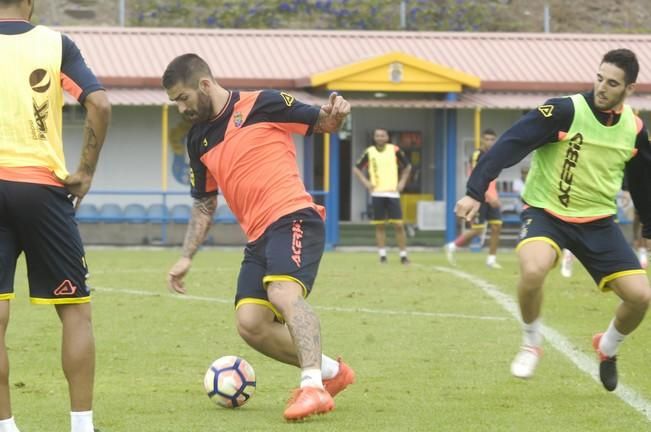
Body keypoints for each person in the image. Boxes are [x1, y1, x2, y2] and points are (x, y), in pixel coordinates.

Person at [162, 53, 355, 421]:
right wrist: (186, 255)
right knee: (251, 324)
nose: (181, 108)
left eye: (183, 98)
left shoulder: (262, 103)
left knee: (283, 293)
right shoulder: (197, 139)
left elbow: (324, 122)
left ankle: (312, 387)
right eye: (175, 102)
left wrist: (338, 114)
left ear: (204, 84)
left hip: (293, 215)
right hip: (258, 236)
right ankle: (332, 372)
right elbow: (204, 203)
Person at [454, 49, 651, 392]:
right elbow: (510, 143)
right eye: (599, 77)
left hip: (599, 222)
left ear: (629, 89)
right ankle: (531, 342)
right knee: (533, 270)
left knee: (640, 297)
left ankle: (607, 348)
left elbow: (643, 182)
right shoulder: (563, 110)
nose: (602, 87)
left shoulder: (633, 129)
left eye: (612, 83)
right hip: (546, 214)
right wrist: (475, 190)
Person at [0, 1, 111, 431]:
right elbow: (99, 104)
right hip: (42, 189)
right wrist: (84, 172)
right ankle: (81, 426)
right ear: (31, 3)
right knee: (75, 310)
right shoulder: (55, 44)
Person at [445, 129, 503, 269]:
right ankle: (452, 246)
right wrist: (489, 196)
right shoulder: (477, 155)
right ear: (482, 140)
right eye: (487, 139)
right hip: (479, 197)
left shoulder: (494, 155)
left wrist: (495, 195)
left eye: (492, 139)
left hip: (491, 197)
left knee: (496, 226)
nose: (489, 142)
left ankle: (491, 259)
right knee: (478, 229)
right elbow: (478, 177)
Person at [353, 129, 412, 264]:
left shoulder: (394, 149)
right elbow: (356, 168)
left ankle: (403, 255)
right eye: (377, 135)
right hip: (377, 193)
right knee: (380, 225)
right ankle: (382, 255)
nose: (380, 137)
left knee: (398, 225)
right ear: (374, 138)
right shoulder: (369, 152)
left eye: (382, 135)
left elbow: (408, 166)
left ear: (387, 137)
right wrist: (366, 183)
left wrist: (402, 182)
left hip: (392, 192)